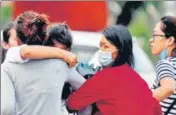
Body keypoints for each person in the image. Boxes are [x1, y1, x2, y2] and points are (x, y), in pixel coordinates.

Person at [65, 25, 162, 115]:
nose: (101, 51)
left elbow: (72, 104)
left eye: (106, 46)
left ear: (120, 51)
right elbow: (156, 108)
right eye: (100, 45)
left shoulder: (104, 78)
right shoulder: (138, 79)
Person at [1, 11, 82, 115]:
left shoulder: (8, 65)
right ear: (46, 37)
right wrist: (69, 105)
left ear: (17, 38)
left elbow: (6, 109)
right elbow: (87, 89)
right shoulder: (61, 64)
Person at [150, 16, 176, 115]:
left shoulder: (165, 64)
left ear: (170, 40)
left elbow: (168, 87)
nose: (151, 40)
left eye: (155, 35)